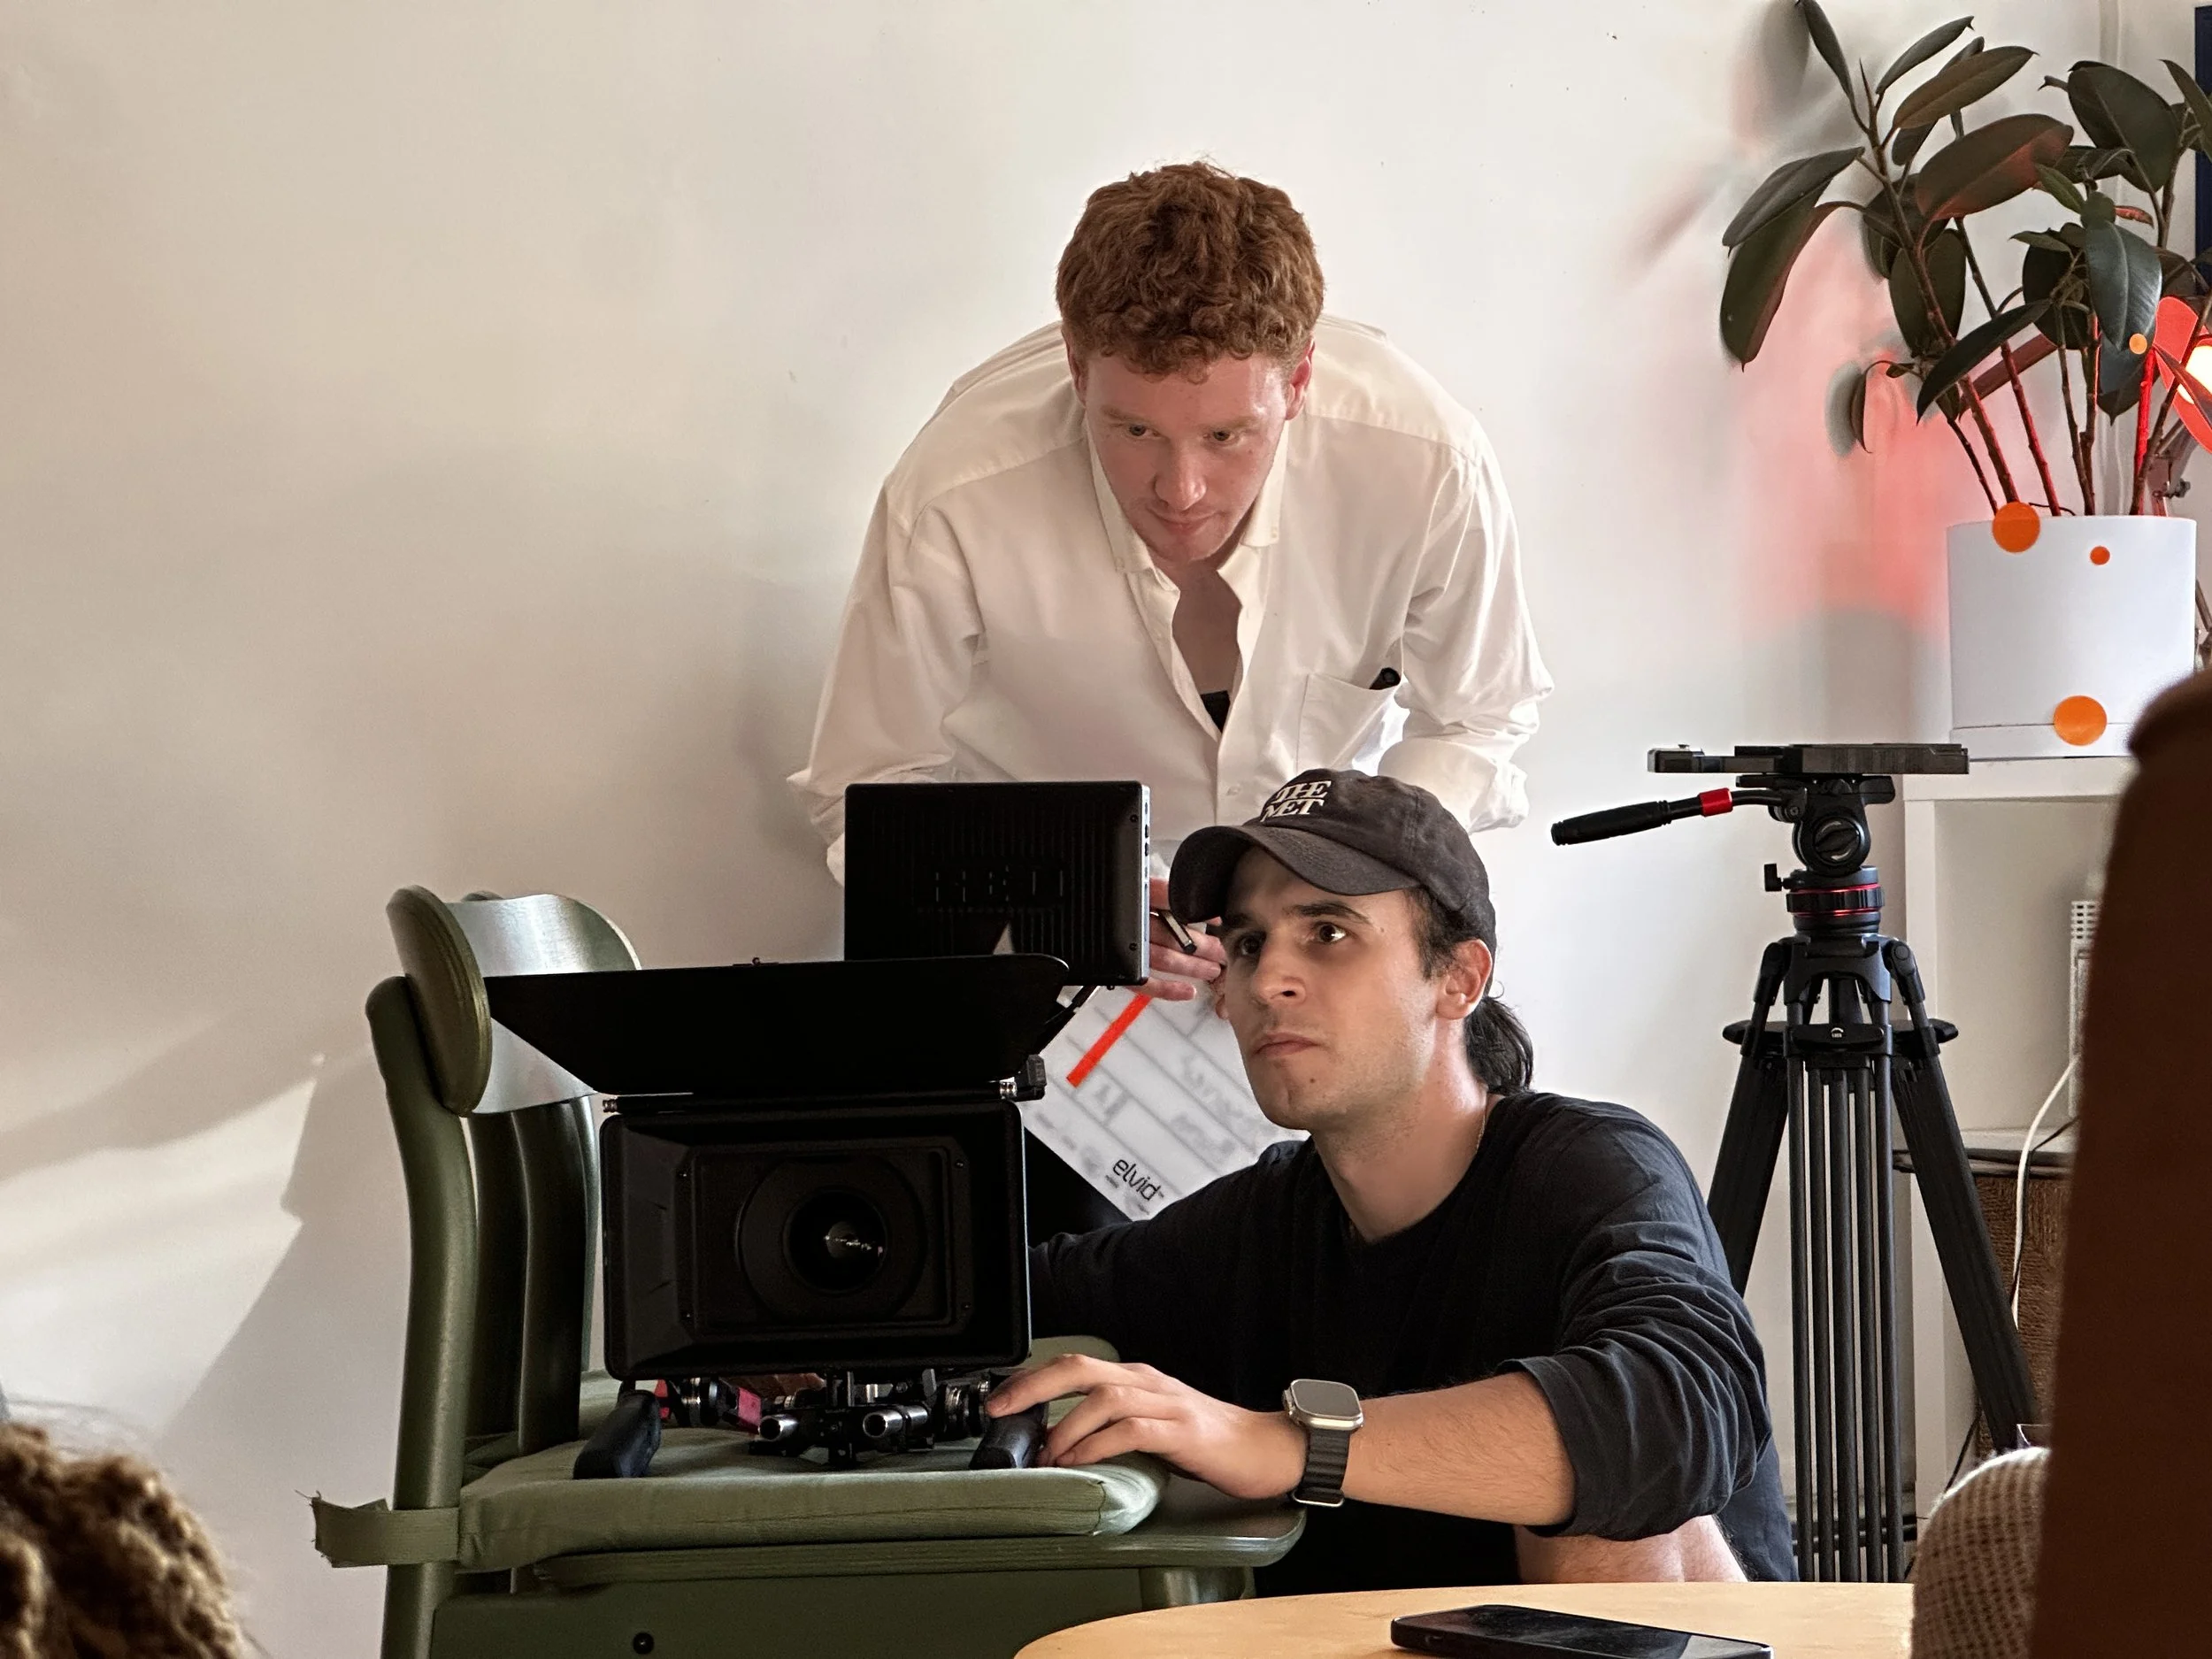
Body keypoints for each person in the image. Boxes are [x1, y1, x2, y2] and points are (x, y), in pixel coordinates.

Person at [986, 770, 1794, 1591]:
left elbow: (1681, 1411)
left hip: (1702, 1633)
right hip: (1370, 1642)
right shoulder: (1262, 1223)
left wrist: (1287, 1442)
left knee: (1611, 1491)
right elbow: (992, 1299)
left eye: (1328, 932)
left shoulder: (1590, 1166)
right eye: (1249, 943)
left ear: (1459, 979)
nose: (1265, 981)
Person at [789, 160, 1552, 1008]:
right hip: (1047, 955)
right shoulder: (955, 492)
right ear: (1078, 369)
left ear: (1299, 381)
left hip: (1338, 925)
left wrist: (1355, 884)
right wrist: (1065, 909)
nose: (1180, 491)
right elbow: (867, 794)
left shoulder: (1426, 462)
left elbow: (1480, 716)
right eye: (1134, 430)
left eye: (1226, 435)